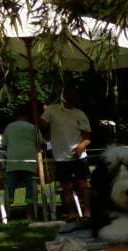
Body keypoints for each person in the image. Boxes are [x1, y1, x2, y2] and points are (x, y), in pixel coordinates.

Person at [38, 87, 91, 220]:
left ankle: (87, 212)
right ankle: (71, 213)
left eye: (73, 94)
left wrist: (80, 147)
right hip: (61, 156)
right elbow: (41, 124)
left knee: (83, 186)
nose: (71, 97)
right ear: (62, 96)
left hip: (78, 156)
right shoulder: (52, 110)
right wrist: (35, 106)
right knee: (66, 187)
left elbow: (87, 137)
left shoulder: (80, 114)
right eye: (68, 94)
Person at [1, 106, 42, 218]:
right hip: (30, 160)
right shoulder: (33, 127)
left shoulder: (9, 127)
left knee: (10, 186)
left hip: (13, 160)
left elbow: (4, 145)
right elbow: (40, 142)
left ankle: (6, 213)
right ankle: (29, 213)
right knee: (30, 186)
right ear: (28, 116)